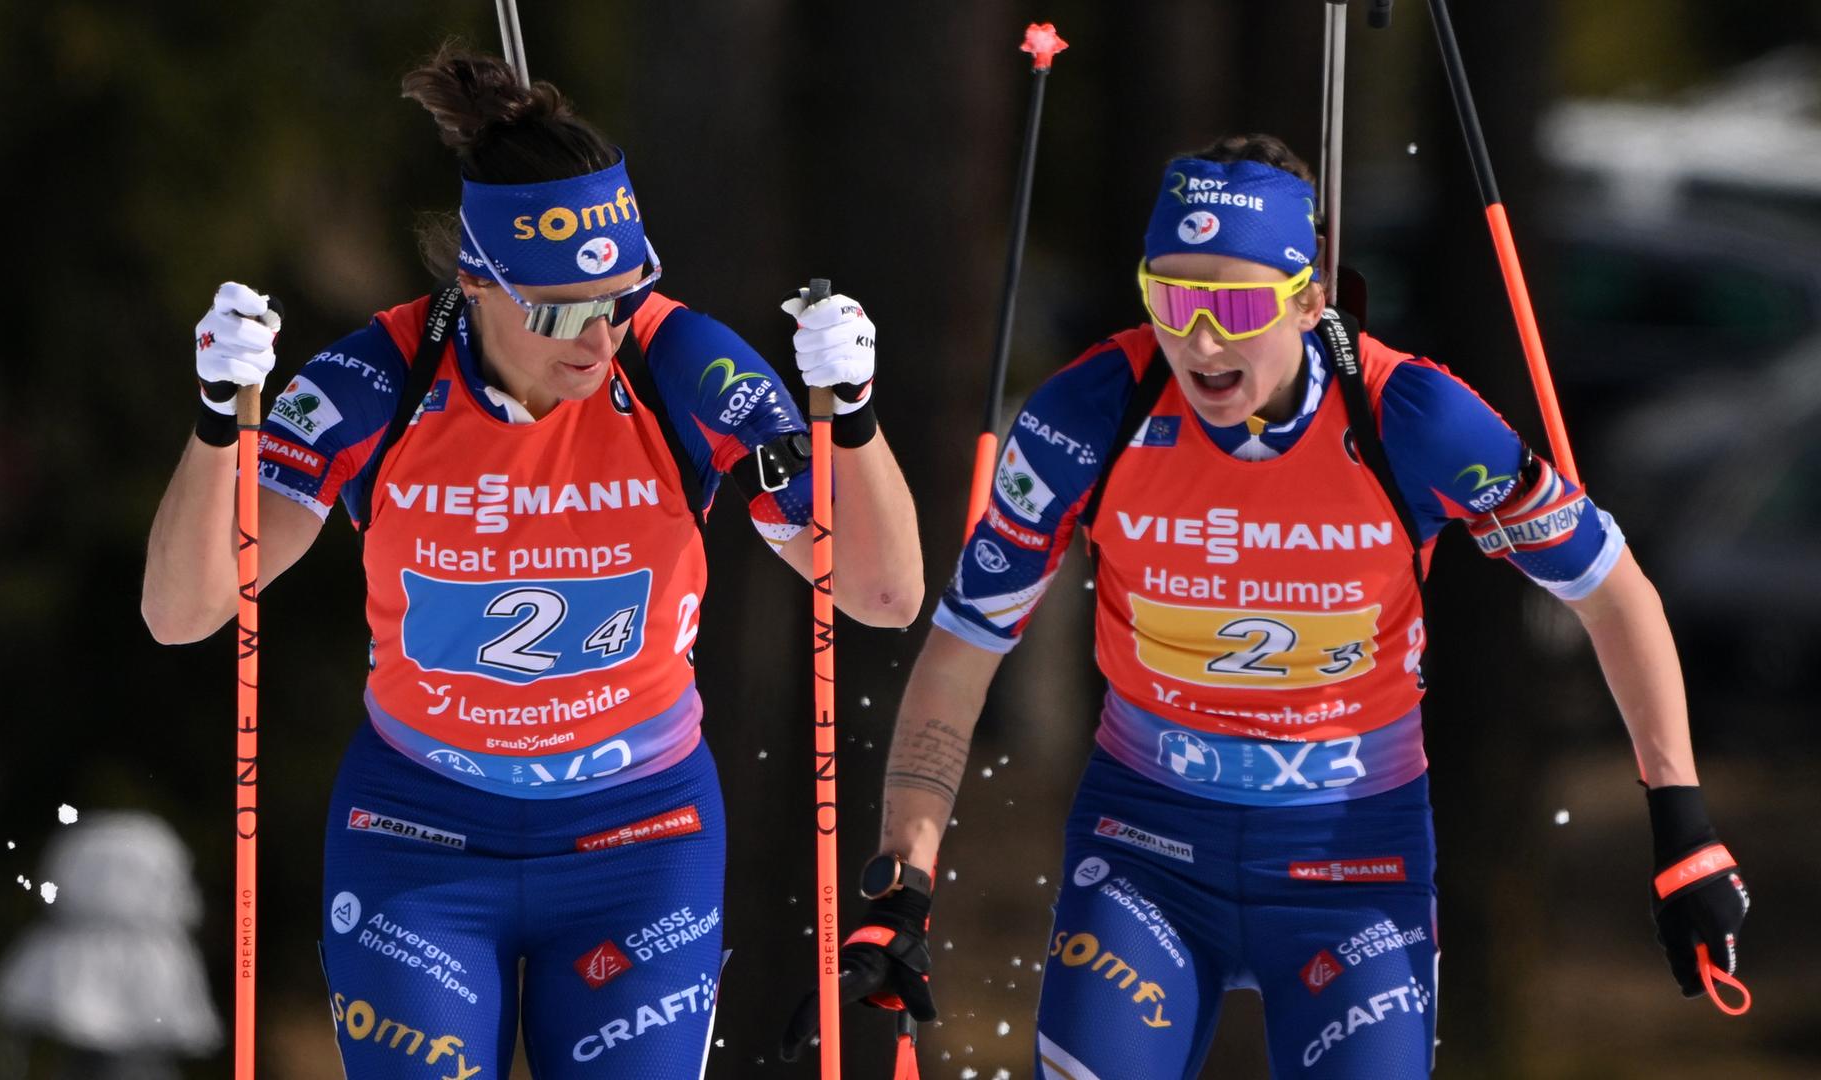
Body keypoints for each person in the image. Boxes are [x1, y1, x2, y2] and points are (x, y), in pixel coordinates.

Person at [791, 135, 1749, 1078]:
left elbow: (1611, 593)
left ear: (1308, 299)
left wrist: (1684, 825)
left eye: (1239, 304)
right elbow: (961, 650)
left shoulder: (1410, 416)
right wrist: (902, 883)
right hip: (1146, 848)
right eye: (1172, 299)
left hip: (1353, 860)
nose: (1202, 339)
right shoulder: (1090, 413)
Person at [141, 45, 923, 1079]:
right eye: (559, 309)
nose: (597, 337)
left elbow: (881, 594)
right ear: (475, 281)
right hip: (418, 832)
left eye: (620, 297)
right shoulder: (381, 379)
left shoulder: (679, 362)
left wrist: (853, 418)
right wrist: (217, 424)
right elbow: (184, 612)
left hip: (639, 836)